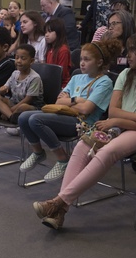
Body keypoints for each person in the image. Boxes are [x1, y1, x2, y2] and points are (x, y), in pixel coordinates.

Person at [32, 31, 136, 229]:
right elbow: (114, 110)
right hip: (121, 125)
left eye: (134, 50)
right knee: (83, 145)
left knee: (108, 150)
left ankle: (58, 202)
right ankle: (60, 212)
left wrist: (121, 119)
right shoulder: (126, 74)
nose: (129, 55)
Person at [17, 38, 120, 184]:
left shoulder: (104, 82)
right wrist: (77, 100)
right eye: (81, 59)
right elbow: (58, 101)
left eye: (87, 59)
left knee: (35, 119)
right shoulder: (77, 77)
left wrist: (72, 101)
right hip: (62, 114)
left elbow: (86, 109)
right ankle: (38, 152)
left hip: (82, 123)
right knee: (23, 117)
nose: (82, 63)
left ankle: (62, 159)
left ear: (99, 62)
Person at [0, 44, 44, 124]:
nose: (19, 61)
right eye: (16, 58)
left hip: (30, 106)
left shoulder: (35, 78)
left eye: (23, 58)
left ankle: (6, 113)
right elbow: (3, 89)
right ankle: (12, 117)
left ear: (31, 61)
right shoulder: (15, 73)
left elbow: (28, 100)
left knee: (23, 107)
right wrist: (2, 90)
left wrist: (8, 110)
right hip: (15, 103)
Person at [44, 18, 72, 85]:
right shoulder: (50, 49)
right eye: (45, 32)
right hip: (50, 82)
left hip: (61, 85)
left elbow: (61, 74)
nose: (46, 35)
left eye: (50, 32)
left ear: (58, 32)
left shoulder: (63, 50)